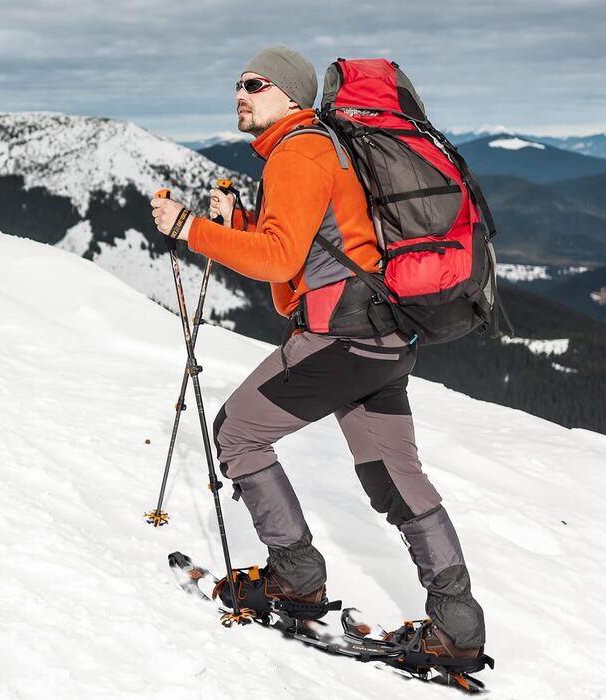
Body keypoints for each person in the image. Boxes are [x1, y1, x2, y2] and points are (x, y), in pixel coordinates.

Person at [151, 46, 486, 659]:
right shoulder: (318, 148)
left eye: (256, 84)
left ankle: (296, 580)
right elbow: (315, 249)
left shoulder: (299, 149)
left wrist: (188, 229)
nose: (241, 93)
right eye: (239, 83)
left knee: (236, 433)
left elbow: (280, 260)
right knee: (395, 478)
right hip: (386, 338)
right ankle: (458, 627)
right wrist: (245, 224)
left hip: (343, 339)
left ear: (291, 95)